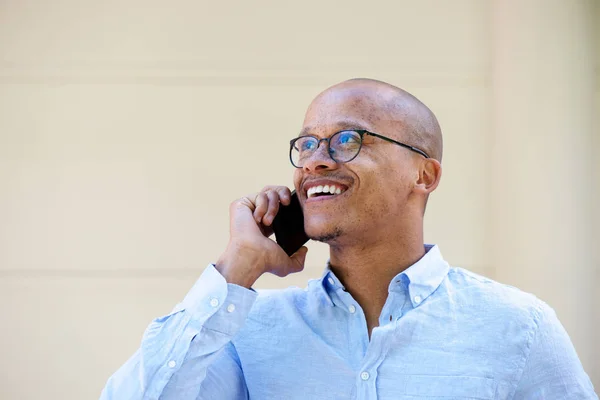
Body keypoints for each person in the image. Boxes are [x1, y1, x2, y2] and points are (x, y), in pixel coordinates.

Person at [100, 79, 597, 399]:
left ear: (424, 175)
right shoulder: (248, 333)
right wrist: (237, 266)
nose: (315, 159)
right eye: (308, 143)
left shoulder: (517, 327)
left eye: (347, 140)